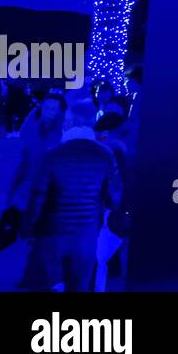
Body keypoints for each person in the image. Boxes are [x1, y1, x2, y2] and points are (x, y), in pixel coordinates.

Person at [22, 103, 122, 292]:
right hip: (86, 232)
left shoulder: (54, 154)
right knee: (80, 285)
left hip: (52, 230)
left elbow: (38, 196)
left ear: (68, 125)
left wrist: (28, 227)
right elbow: (113, 197)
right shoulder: (104, 155)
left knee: (51, 282)